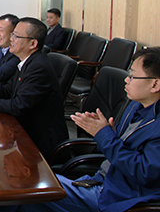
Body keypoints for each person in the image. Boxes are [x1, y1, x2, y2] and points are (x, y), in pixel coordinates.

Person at [13, 47, 160, 212]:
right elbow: (122, 147)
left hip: (116, 196)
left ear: (155, 84)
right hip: (101, 179)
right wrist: (110, 132)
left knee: (24, 185)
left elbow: (144, 173)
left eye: (132, 76)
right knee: (24, 195)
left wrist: (104, 135)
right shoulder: (136, 105)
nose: (126, 80)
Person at [0, 17, 68, 160]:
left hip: (40, 142)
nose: (11, 39)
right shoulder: (27, 61)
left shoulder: (38, 67)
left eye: (16, 36)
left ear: (33, 43)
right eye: (12, 34)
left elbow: (19, 105)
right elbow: (8, 90)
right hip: (25, 129)